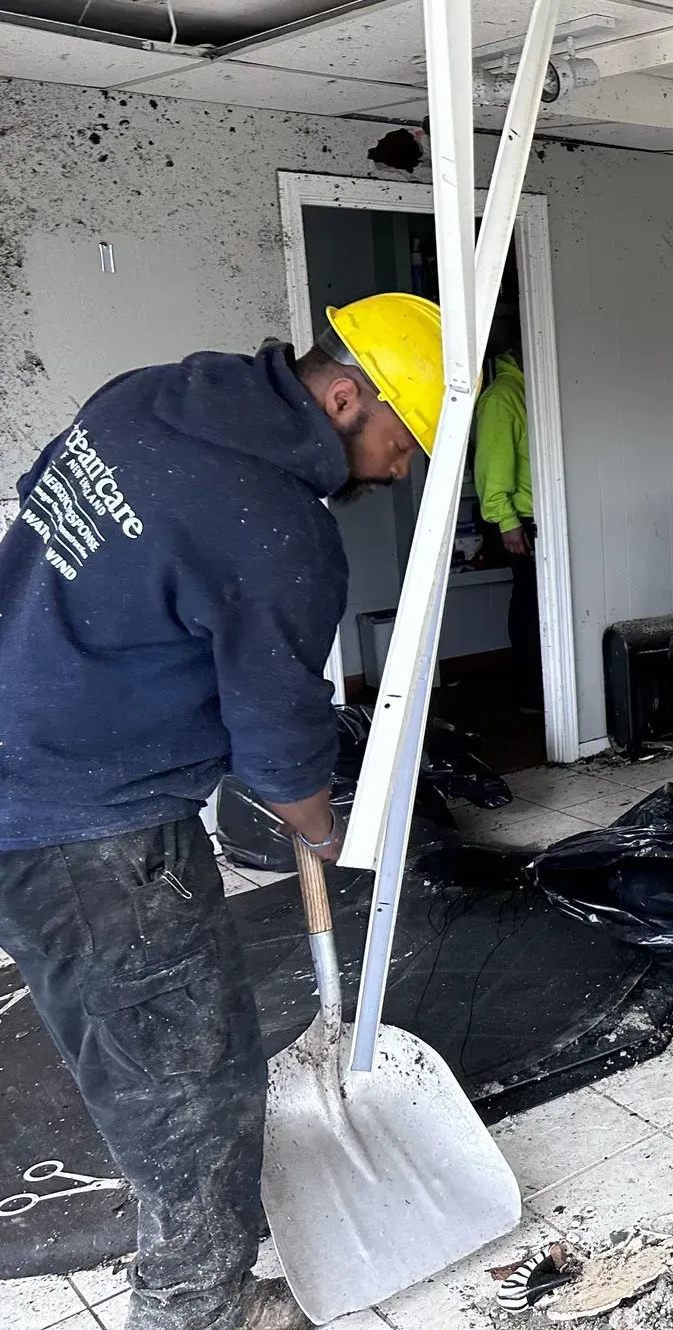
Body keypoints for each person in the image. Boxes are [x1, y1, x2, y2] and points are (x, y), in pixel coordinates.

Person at [0, 294, 445, 1330]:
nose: (400, 467)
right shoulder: (280, 530)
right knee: (188, 1075)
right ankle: (197, 1304)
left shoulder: (149, 397)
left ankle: (167, 1220)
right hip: (91, 819)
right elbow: (281, 736)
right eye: (401, 438)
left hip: (17, 769)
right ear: (344, 396)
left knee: (112, 1039)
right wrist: (324, 833)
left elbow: (43, 509)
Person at [473, 339, 540, 713]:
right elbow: (491, 468)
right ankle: (533, 693)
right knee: (531, 606)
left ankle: (539, 690)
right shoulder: (503, 396)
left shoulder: (533, 391)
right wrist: (507, 521)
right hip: (525, 522)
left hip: (541, 516)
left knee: (537, 605)